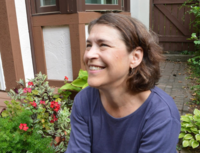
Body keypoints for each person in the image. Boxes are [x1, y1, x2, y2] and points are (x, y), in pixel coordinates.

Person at [65, 13, 180, 153]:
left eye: (103, 45)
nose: (89, 54)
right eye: (89, 45)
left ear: (135, 57)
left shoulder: (161, 114)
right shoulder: (85, 100)